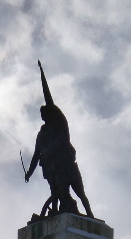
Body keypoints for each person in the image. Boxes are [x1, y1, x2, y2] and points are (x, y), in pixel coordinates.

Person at [25, 61, 94, 219]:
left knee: (80, 192)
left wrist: (42, 74)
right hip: (52, 168)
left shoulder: (58, 124)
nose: (43, 118)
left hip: (66, 163)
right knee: (56, 191)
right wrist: (29, 172)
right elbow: (36, 155)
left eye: (44, 115)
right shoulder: (42, 135)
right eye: (41, 116)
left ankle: (89, 213)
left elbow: (48, 98)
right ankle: (57, 210)